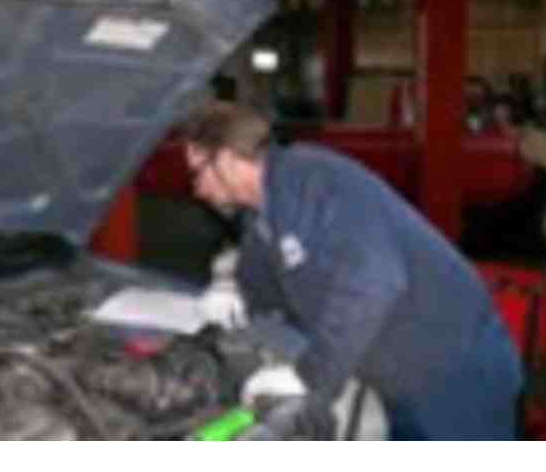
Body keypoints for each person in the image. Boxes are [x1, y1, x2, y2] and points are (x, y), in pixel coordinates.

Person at [182, 100, 523, 440]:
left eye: (198, 172)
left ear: (227, 160)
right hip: (400, 377)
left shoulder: (314, 181)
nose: (197, 189)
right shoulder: (264, 212)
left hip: (456, 373)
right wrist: (232, 290)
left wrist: (310, 376)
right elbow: (260, 277)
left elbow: (374, 283)